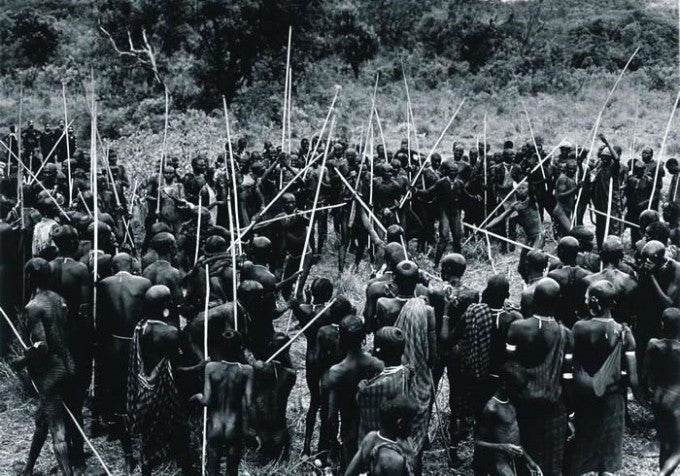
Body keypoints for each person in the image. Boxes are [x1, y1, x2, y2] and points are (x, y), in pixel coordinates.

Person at [569, 281, 640, 476]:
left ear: (593, 301)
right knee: (608, 455)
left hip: (585, 399)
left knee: (583, 446)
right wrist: (643, 399)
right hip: (613, 399)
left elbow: (570, 364)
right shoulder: (624, 333)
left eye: (586, 297)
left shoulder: (579, 328)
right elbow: (633, 377)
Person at [14, 258, 75, 476]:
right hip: (68, 365)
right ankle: (29, 468)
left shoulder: (34, 306)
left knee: (57, 429)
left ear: (30, 278)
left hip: (51, 372)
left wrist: (22, 361)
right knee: (44, 419)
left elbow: (42, 346)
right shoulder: (60, 299)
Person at [507, 277, 573, 476]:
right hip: (554, 405)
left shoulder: (517, 328)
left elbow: (509, 365)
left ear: (534, 300)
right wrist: (571, 412)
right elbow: (567, 377)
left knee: (524, 455)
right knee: (552, 461)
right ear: (558, 301)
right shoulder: (565, 334)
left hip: (522, 403)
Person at [126, 285, 194, 476]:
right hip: (166, 392)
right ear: (166, 306)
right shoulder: (171, 333)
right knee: (179, 429)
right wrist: (200, 367)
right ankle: (187, 468)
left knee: (149, 435)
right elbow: (178, 369)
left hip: (146, 391)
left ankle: (147, 470)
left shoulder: (141, 328)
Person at [48, 225, 92, 471]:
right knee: (77, 393)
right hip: (76, 335)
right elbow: (85, 309)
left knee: (61, 392)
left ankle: (70, 449)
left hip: (54, 332)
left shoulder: (49, 267)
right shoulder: (80, 269)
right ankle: (76, 451)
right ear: (73, 242)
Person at [325, 315, 384, 471]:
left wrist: (332, 441)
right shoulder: (376, 364)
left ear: (341, 339)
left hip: (349, 427)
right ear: (363, 337)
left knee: (350, 464)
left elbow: (331, 415)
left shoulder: (337, 372)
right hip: (372, 425)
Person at [190, 331, 253, 476]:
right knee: (232, 471)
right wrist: (249, 428)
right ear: (240, 348)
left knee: (213, 470)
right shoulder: (247, 371)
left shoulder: (210, 367)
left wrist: (196, 396)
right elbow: (249, 404)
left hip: (215, 426)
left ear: (219, 348)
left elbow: (206, 400)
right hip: (234, 425)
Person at [473, 361, 542, 476]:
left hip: (512, 460)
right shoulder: (492, 408)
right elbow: (477, 442)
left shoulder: (511, 402)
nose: (519, 393)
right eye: (517, 389)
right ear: (505, 385)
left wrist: (530, 462)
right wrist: (502, 447)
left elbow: (515, 441)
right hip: (498, 463)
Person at [357, 326, 413, 441]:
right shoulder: (405, 371)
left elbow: (360, 401)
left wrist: (362, 389)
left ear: (379, 351)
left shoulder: (378, 385)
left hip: (379, 441)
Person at [644, 308, 680, 476]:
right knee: (678, 449)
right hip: (676, 401)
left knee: (665, 443)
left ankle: (662, 471)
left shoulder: (653, 344)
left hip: (658, 398)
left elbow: (646, 374)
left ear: (662, 324)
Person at [344, 395, 418, 476]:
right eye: (412, 422)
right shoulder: (393, 460)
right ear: (400, 423)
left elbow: (348, 474)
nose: (414, 426)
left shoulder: (371, 438)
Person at [636, 240, 680, 374]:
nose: (645, 265)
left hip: (668, 318)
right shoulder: (648, 267)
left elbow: (668, 303)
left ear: (659, 261)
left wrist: (651, 276)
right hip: (649, 315)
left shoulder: (676, 269)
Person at [582, 236, 638, 325]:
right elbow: (632, 314)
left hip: (594, 328)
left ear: (600, 256)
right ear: (622, 256)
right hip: (619, 328)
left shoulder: (588, 280)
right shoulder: (630, 282)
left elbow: (583, 312)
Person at [547, 236, 591, 328]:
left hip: (559, 320)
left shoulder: (554, 275)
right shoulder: (587, 275)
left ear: (561, 251)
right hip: (580, 320)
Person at [553, 160, 580, 237]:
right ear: (566, 169)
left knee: (565, 235)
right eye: (570, 169)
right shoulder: (563, 178)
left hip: (567, 211)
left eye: (574, 169)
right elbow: (560, 195)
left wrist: (578, 189)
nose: (572, 171)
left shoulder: (572, 179)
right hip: (560, 211)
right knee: (571, 233)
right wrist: (575, 189)